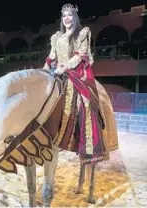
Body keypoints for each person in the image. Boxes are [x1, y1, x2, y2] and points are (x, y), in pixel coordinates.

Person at [43, 3, 117, 164]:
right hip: (57, 72)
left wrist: (64, 67)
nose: (67, 18)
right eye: (64, 15)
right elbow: (51, 57)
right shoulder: (56, 37)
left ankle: (88, 147)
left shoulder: (82, 34)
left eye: (70, 15)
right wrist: (45, 69)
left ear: (75, 17)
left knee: (85, 103)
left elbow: (79, 55)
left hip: (74, 73)